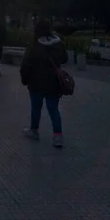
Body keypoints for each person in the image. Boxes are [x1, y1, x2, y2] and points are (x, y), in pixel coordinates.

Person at [19, 19, 68, 148]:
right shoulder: (58, 43)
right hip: (53, 83)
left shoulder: (34, 46)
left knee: (36, 107)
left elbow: (25, 65)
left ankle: (34, 130)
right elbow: (65, 59)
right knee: (53, 109)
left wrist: (24, 79)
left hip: (36, 82)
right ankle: (58, 136)